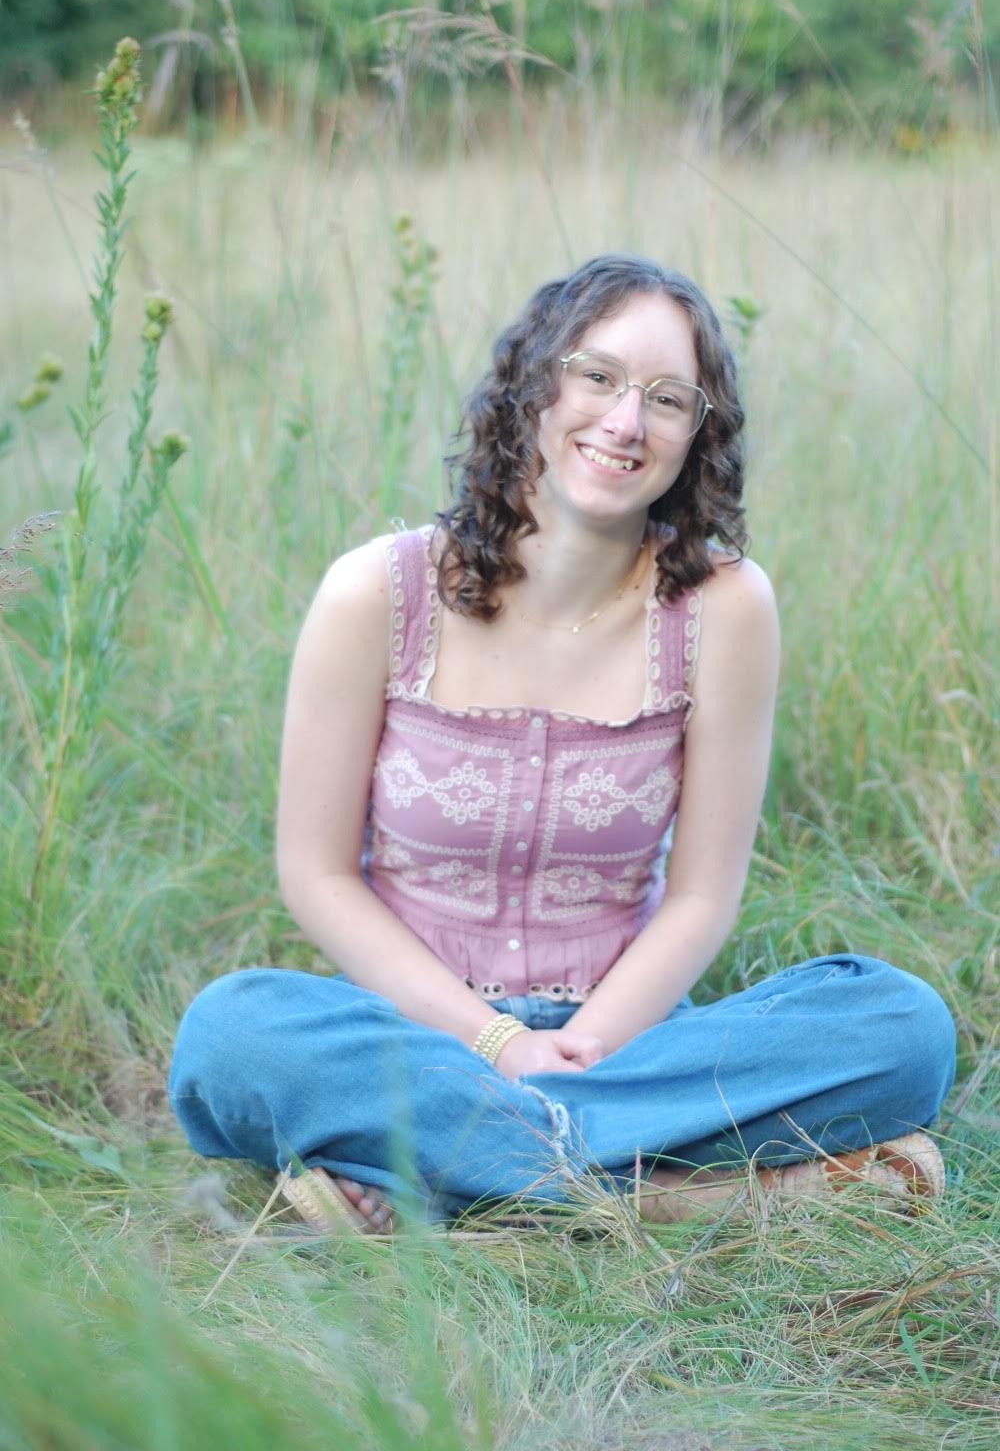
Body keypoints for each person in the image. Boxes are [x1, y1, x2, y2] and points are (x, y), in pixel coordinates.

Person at [169, 254, 956, 1234]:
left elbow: (702, 896)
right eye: (598, 377)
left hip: (628, 1043)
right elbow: (316, 874)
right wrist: (498, 1044)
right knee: (230, 1035)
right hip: (417, 1038)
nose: (625, 422)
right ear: (534, 383)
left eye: (667, 399)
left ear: (696, 435)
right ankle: (671, 1191)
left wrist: (576, 1053)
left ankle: (446, 1174)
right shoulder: (378, 591)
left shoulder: (723, 608)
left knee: (903, 1027)